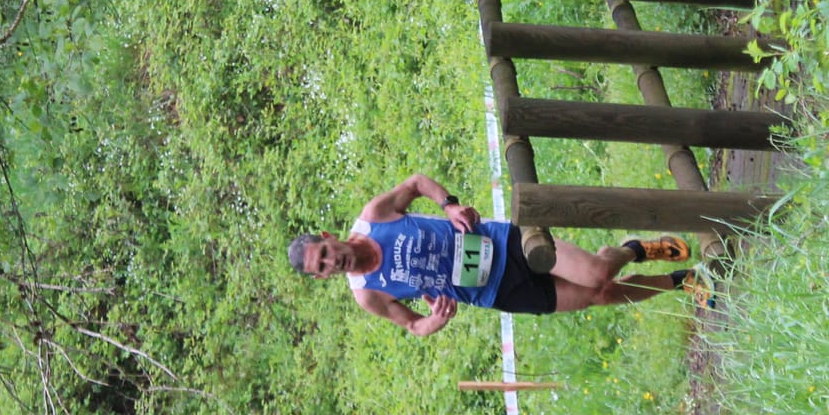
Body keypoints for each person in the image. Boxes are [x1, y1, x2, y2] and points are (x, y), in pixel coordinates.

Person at [288, 173, 694, 336]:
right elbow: (412, 325)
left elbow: (415, 184)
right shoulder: (367, 293)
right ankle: (681, 282)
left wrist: (448, 205)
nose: (331, 261)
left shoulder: (374, 217)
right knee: (600, 295)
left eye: (324, 252)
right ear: (322, 276)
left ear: (328, 237)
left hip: (504, 243)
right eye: (322, 267)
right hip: (496, 291)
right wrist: (436, 320)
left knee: (599, 274)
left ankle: (630, 251)